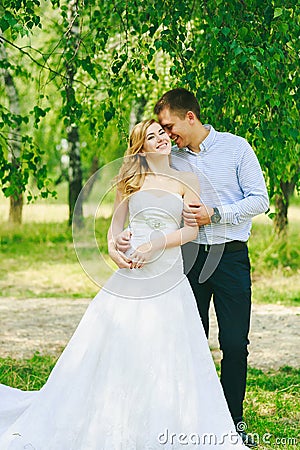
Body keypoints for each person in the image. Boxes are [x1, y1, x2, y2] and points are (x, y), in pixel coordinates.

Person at [0, 119, 246, 449]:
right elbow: (114, 228)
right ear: (140, 147)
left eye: (162, 133)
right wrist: (116, 251)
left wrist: (156, 243)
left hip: (168, 273)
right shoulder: (131, 178)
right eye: (151, 137)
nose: (161, 139)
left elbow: (190, 231)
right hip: (132, 272)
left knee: (167, 346)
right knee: (118, 340)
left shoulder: (188, 179)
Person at [116, 91, 269, 448]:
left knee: (234, 343)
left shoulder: (236, 148)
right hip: (186, 257)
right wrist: (126, 234)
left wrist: (216, 215)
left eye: (169, 127)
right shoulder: (171, 158)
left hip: (230, 256)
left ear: (190, 118)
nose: (167, 135)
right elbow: (141, 188)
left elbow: (259, 199)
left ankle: (233, 419)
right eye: (161, 131)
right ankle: (189, 417)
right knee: (189, 342)